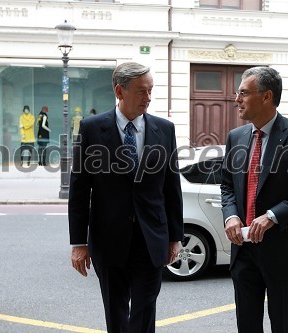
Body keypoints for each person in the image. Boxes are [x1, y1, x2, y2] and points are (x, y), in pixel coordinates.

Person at [68, 62, 184, 333]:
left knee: (145, 309)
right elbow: (80, 188)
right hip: (108, 239)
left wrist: (175, 237)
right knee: (115, 309)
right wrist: (78, 242)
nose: (148, 97)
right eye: (142, 91)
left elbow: (171, 187)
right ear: (120, 91)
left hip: (151, 238)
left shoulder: (164, 129)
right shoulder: (92, 128)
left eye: (151, 90)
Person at [221, 66, 288, 333]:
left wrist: (272, 216)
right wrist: (231, 215)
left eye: (244, 93)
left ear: (267, 96)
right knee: (247, 326)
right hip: (244, 251)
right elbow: (227, 186)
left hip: (285, 253)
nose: (237, 99)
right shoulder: (236, 137)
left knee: (286, 326)